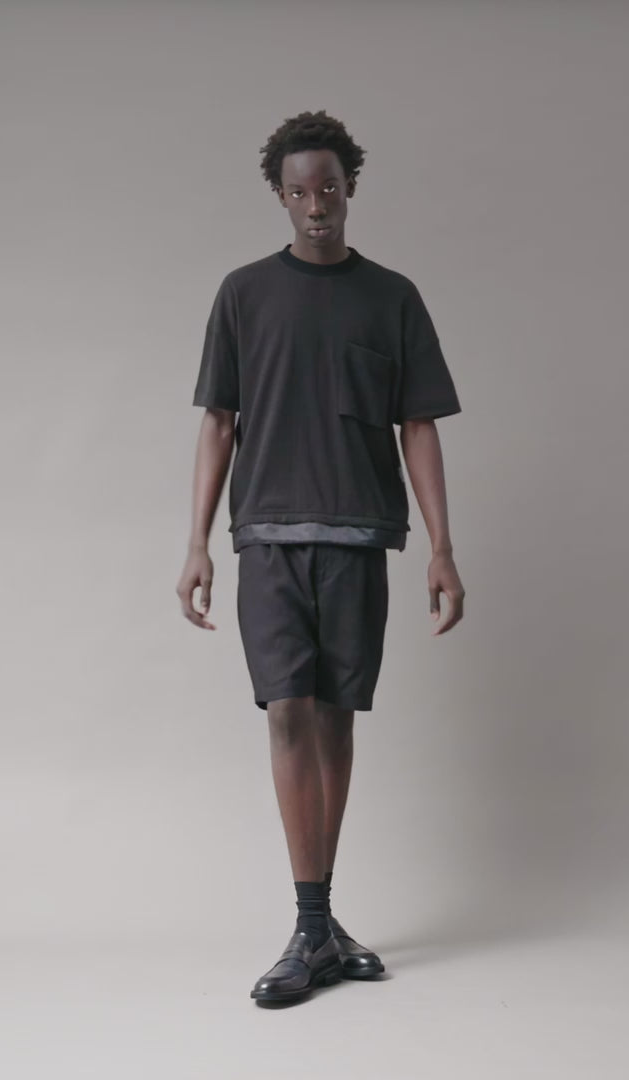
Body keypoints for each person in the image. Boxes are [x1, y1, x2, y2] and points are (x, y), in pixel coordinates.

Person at [176, 110, 465, 1005]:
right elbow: (217, 422)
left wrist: (443, 549)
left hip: (358, 536)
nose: (316, 206)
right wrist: (196, 544)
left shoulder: (392, 297)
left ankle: (321, 926)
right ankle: (311, 929)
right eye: (299, 191)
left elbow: (418, 425)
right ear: (279, 195)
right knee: (287, 712)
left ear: (350, 190)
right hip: (267, 535)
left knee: (337, 717)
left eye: (329, 189)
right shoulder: (243, 294)